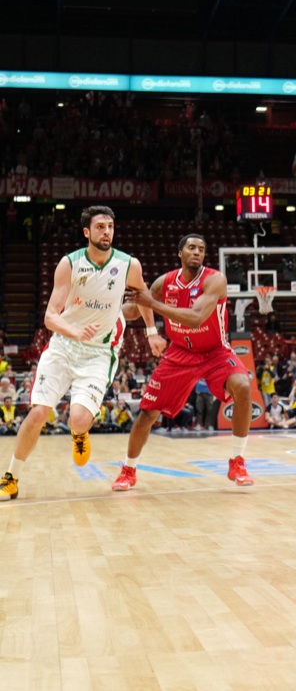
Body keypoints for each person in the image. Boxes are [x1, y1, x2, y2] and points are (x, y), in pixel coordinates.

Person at [1, 206, 164, 500]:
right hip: (64, 346)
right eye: (100, 226)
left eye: (111, 226)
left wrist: (152, 333)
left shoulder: (129, 264)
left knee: (77, 418)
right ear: (87, 232)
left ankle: (80, 433)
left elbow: (143, 298)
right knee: (38, 412)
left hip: (99, 352)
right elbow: (51, 316)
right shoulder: (70, 263)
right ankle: (11, 477)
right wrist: (75, 332)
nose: (107, 232)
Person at [112, 234, 256, 492]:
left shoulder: (215, 279)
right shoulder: (163, 283)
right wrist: (108, 314)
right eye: (191, 247)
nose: (197, 252)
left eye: (201, 248)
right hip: (179, 352)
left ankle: (237, 461)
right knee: (147, 413)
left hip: (215, 352)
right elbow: (136, 309)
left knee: (243, 386)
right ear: (180, 253)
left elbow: (196, 318)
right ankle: (128, 470)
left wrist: (153, 304)